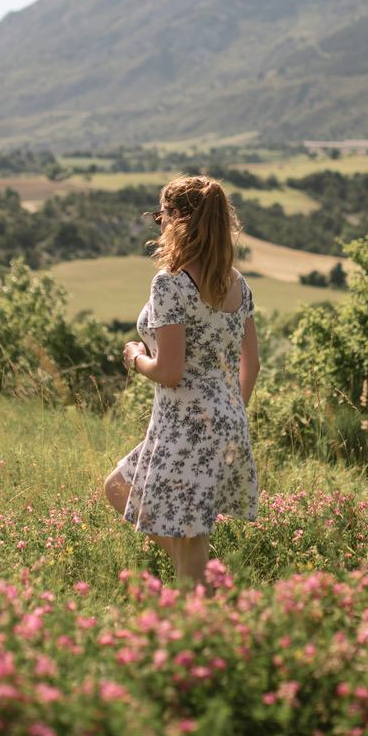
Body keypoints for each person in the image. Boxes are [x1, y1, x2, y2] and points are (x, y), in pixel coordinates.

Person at [102, 174, 260, 589]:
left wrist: (136, 357)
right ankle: (204, 584)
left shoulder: (170, 285)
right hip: (226, 421)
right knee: (119, 487)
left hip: (186, 427)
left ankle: (203, 601)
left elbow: (169, 372)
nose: (160, 225)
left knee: (190, 541)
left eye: (162, 217)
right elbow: (252, 363)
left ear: (178, 221)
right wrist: (230, 412)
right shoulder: (236, 283)